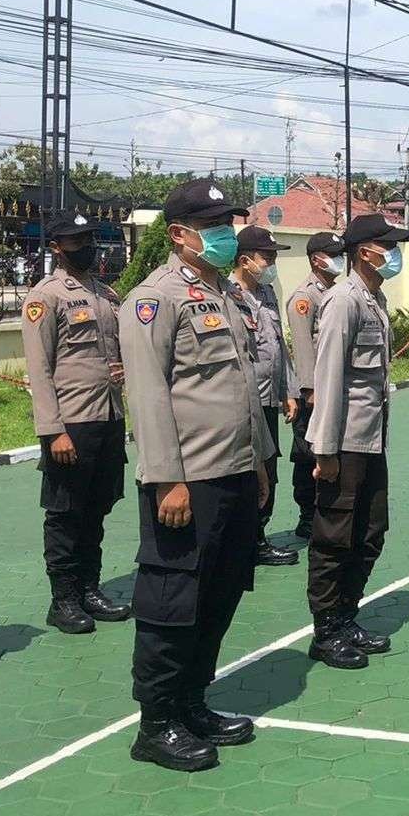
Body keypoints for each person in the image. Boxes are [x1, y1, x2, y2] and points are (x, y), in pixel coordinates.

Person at [120, 179, 273, 771]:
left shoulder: (225, 296)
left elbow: (240, 387)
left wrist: (260, 460)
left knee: (222, 588)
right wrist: (167, 479)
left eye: (227, 226)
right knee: (171, 598)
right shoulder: (154, 299)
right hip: (187, 478)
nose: (225, 236)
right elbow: (149, 394)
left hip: (233, 471)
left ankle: (192, 699)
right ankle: (156, 722)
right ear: (180, 235)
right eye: (213, 227)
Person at [305, 213, 409, 669]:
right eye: (387, 245)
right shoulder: (343, 301)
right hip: (344, 442)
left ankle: (347, 614)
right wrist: (325, 450)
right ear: (366, 251)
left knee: (370, 531)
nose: (394, 254)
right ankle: (326, 629)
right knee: (335, 537)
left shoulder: (374, 298)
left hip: (371, 438)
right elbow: (328, 377)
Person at [20, 209, 130, 636]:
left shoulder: (106, 295)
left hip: (108, 415)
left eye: (89, 239)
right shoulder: (44, 298)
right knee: (65, 515)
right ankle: (63, 598)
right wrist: (53, 431)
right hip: (72, 422)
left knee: (97, 509)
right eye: (75, 242)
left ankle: (89, 588)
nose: (85, 247)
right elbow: (39, 369)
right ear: (55, 248)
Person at [231, 225, 300, 567]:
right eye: (267, 257)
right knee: (247, 472)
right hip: (245, 402)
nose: (272, 263)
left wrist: (289, 391)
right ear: (245, 260)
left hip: (270, 398)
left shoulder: (268, 292)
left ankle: (258, 537)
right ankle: (244, 541)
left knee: (269, 471)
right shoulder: (229, 295)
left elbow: (278, 348)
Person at [284, 233, 345, 539]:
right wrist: (310, 391)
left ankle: (326, 509)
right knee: (307, 455)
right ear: (316, 259)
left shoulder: (337, 292)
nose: (340, 259)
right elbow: (304, 348)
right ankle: (307, 516)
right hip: (314, 393)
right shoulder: (305, 297)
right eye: (334, 254)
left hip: (333, 388)